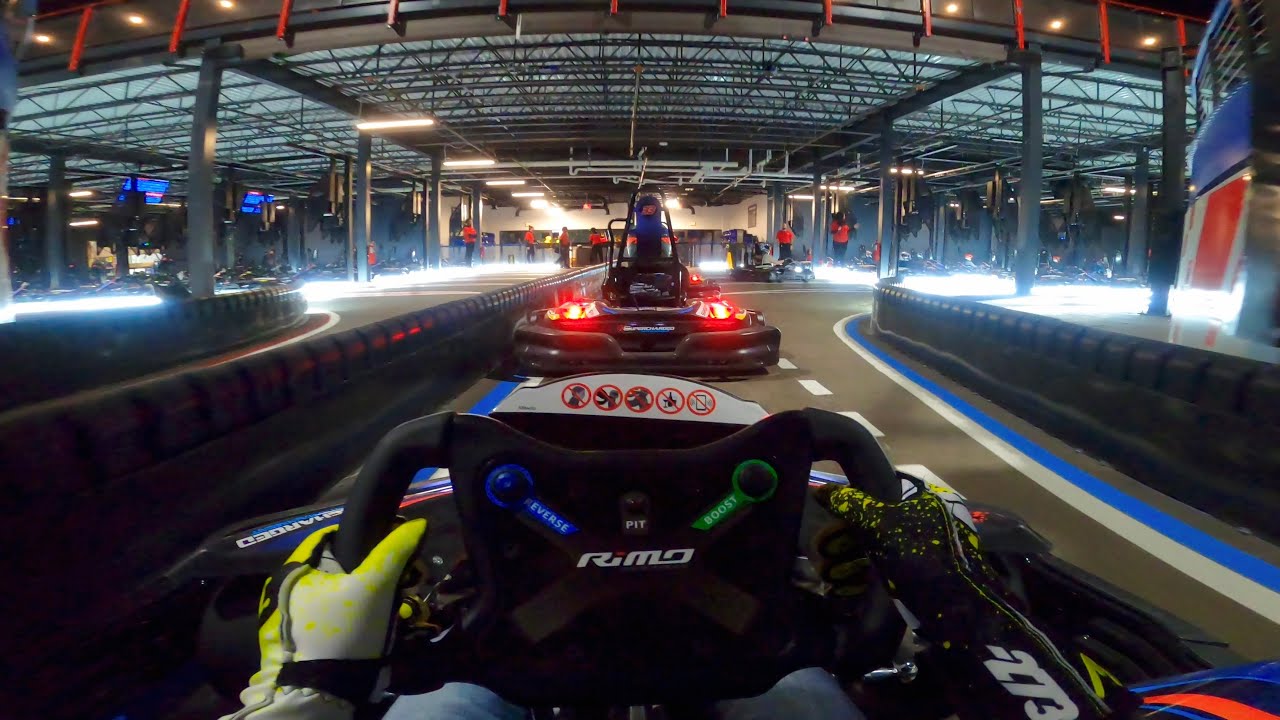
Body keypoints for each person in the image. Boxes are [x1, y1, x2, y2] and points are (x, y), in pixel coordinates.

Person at [221, 476, 1136, 720]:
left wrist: (315, 694)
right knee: (795, 690)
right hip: (751, 666)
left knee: (448, 698)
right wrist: (974, 625)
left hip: (501, 673)